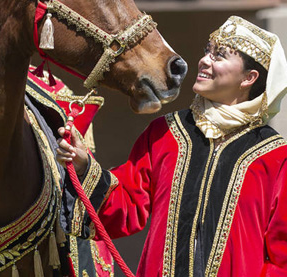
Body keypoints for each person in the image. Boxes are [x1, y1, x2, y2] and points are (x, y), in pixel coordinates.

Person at [56, 16, 287, 276]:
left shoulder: (275, 156)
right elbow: (127, 205)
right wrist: (84, 164)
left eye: (219, 55)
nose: (204, 61)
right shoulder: (165, 132)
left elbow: (282, 258)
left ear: (249, 77)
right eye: (207, 51)